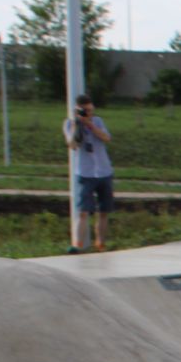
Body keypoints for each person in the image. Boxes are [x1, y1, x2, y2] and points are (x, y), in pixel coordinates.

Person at [63, 94, 115, 252]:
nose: (89, 114)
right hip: (85, 173)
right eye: (85, 111)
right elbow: (72, 144)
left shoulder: (97, 121)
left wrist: (91, 125)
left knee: (104, 211)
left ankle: (100, 243)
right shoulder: (69, 124)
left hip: (103, 171)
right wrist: (78, 125)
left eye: (91, 110)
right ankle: (77, 244)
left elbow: (106, 138)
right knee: (83, 211)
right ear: (78, 110)